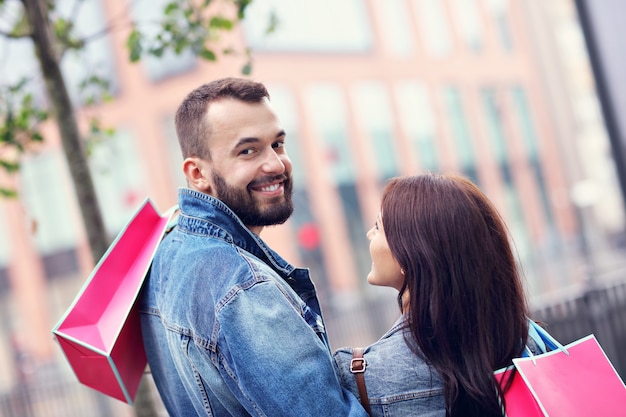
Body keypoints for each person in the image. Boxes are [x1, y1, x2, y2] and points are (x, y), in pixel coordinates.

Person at [140, 77, 367, 417]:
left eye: (277, 144)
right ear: (198, 173)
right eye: (248, 151)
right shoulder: (243, 289)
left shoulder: (168, 251)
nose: (276, 164)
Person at [334, 173, 547, 417]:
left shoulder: (363, 375)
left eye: (378, 227)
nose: (369, 235)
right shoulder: (526, 343)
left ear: (409, 254)